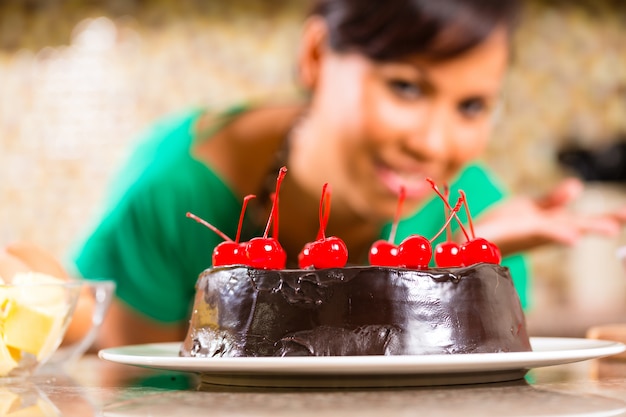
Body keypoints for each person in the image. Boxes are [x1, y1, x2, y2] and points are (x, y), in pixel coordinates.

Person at [4, 0, 625, 349]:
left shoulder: (479, 223)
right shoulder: (179, 187)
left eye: (471, 105)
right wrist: (42, 294)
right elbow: (122, 368)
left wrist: (459, 263)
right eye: (405, 87)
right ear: (316, 56)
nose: (434, 142)